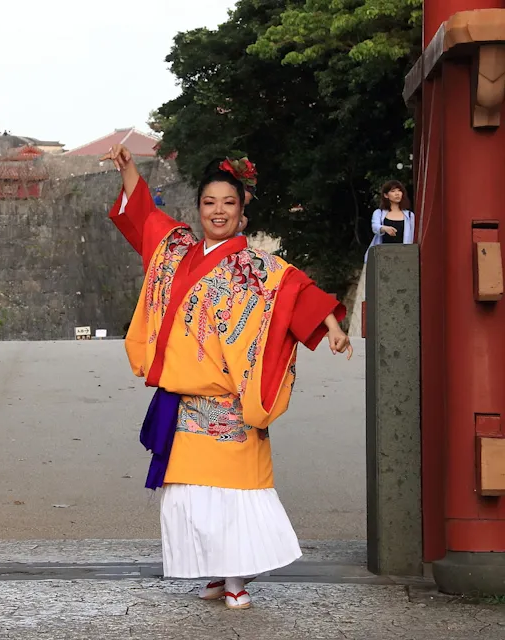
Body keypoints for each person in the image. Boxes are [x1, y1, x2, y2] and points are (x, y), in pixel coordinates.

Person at [100, 143, 351, 611]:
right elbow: (146, 218)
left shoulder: (258, 269)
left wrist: (333, 326)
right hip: (185, 405)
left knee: (235, 497)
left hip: (231, 405)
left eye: (229, 203)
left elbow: (299, 292)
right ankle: (218, 573)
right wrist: (130, 169)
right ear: (198, 209)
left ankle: (236, 576)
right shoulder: (176, 251)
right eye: (210, 202)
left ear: (243, 214)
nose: (218, 211)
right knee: (191, 497)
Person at [364, 180, 414, 262]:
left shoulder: (409, 215)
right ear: (386, 195)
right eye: (393, 191)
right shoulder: (379, 213)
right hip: (383, 255)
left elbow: (412, 236)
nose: (397, 194)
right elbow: (375, 227)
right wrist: (384, 228)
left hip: (403, 256)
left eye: (399, 191)